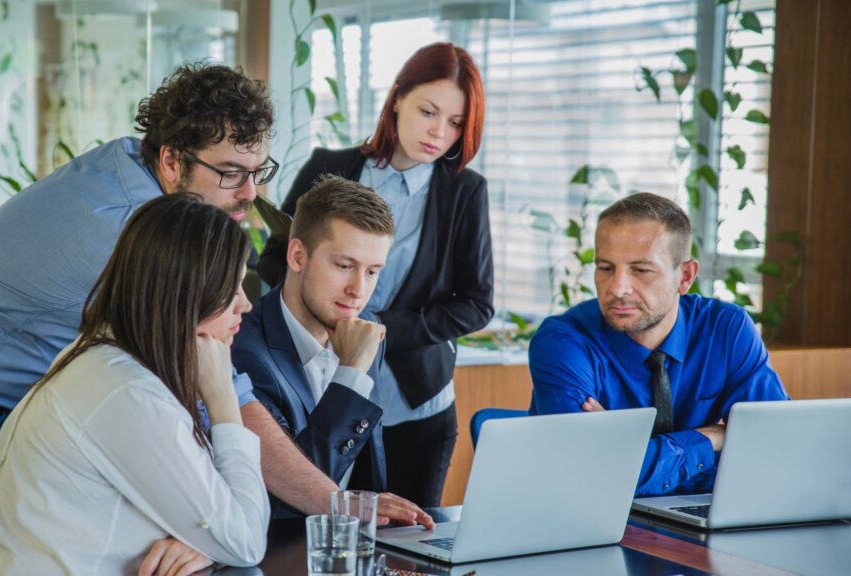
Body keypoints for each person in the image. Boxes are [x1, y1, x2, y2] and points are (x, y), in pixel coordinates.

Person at [0, 62, 391, 576]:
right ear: (170, 160)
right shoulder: (133, 238)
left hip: (11, 404)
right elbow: (222, 395)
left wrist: (207, 534)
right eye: (230, 173)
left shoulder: (137, 176)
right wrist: (337, 504)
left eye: (258, 173)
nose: (250, 194)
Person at [0, 194, 268, 574]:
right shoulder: (125, 391)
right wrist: (224, 401)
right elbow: (245, 541)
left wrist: (207, 543)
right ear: (185, 296)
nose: (245, 305)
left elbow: (226, 524)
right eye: (232, 289)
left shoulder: (110, 359)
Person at [258, 43, 494, 507]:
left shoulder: (465, 192)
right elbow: (275, 258)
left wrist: (379, 330)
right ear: (398, 98)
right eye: (428, 111)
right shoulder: (331, 167)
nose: (438, 133)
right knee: (319, 528)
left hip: (415, 405)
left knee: (407, 545)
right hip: (322, 394)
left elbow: (477, 303)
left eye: (455, 123)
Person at [528, 192, 789, 496]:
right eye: (605, 268)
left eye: (641, 270)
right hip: (581, 525)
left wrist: (625, 452)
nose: (618, 288)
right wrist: (712, 438)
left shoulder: (726, 329)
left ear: (686, 276)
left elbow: (775, 446)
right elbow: (590, 473)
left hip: (700, 522)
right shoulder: (564, 342)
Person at [234, 176, 432, 526]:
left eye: (372, 272)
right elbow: (294, 495)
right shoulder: (244, 350)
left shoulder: (364, 328)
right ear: (297, 256)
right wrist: (351, 373)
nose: (358, 290)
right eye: (344, 266)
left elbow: (361, 472)